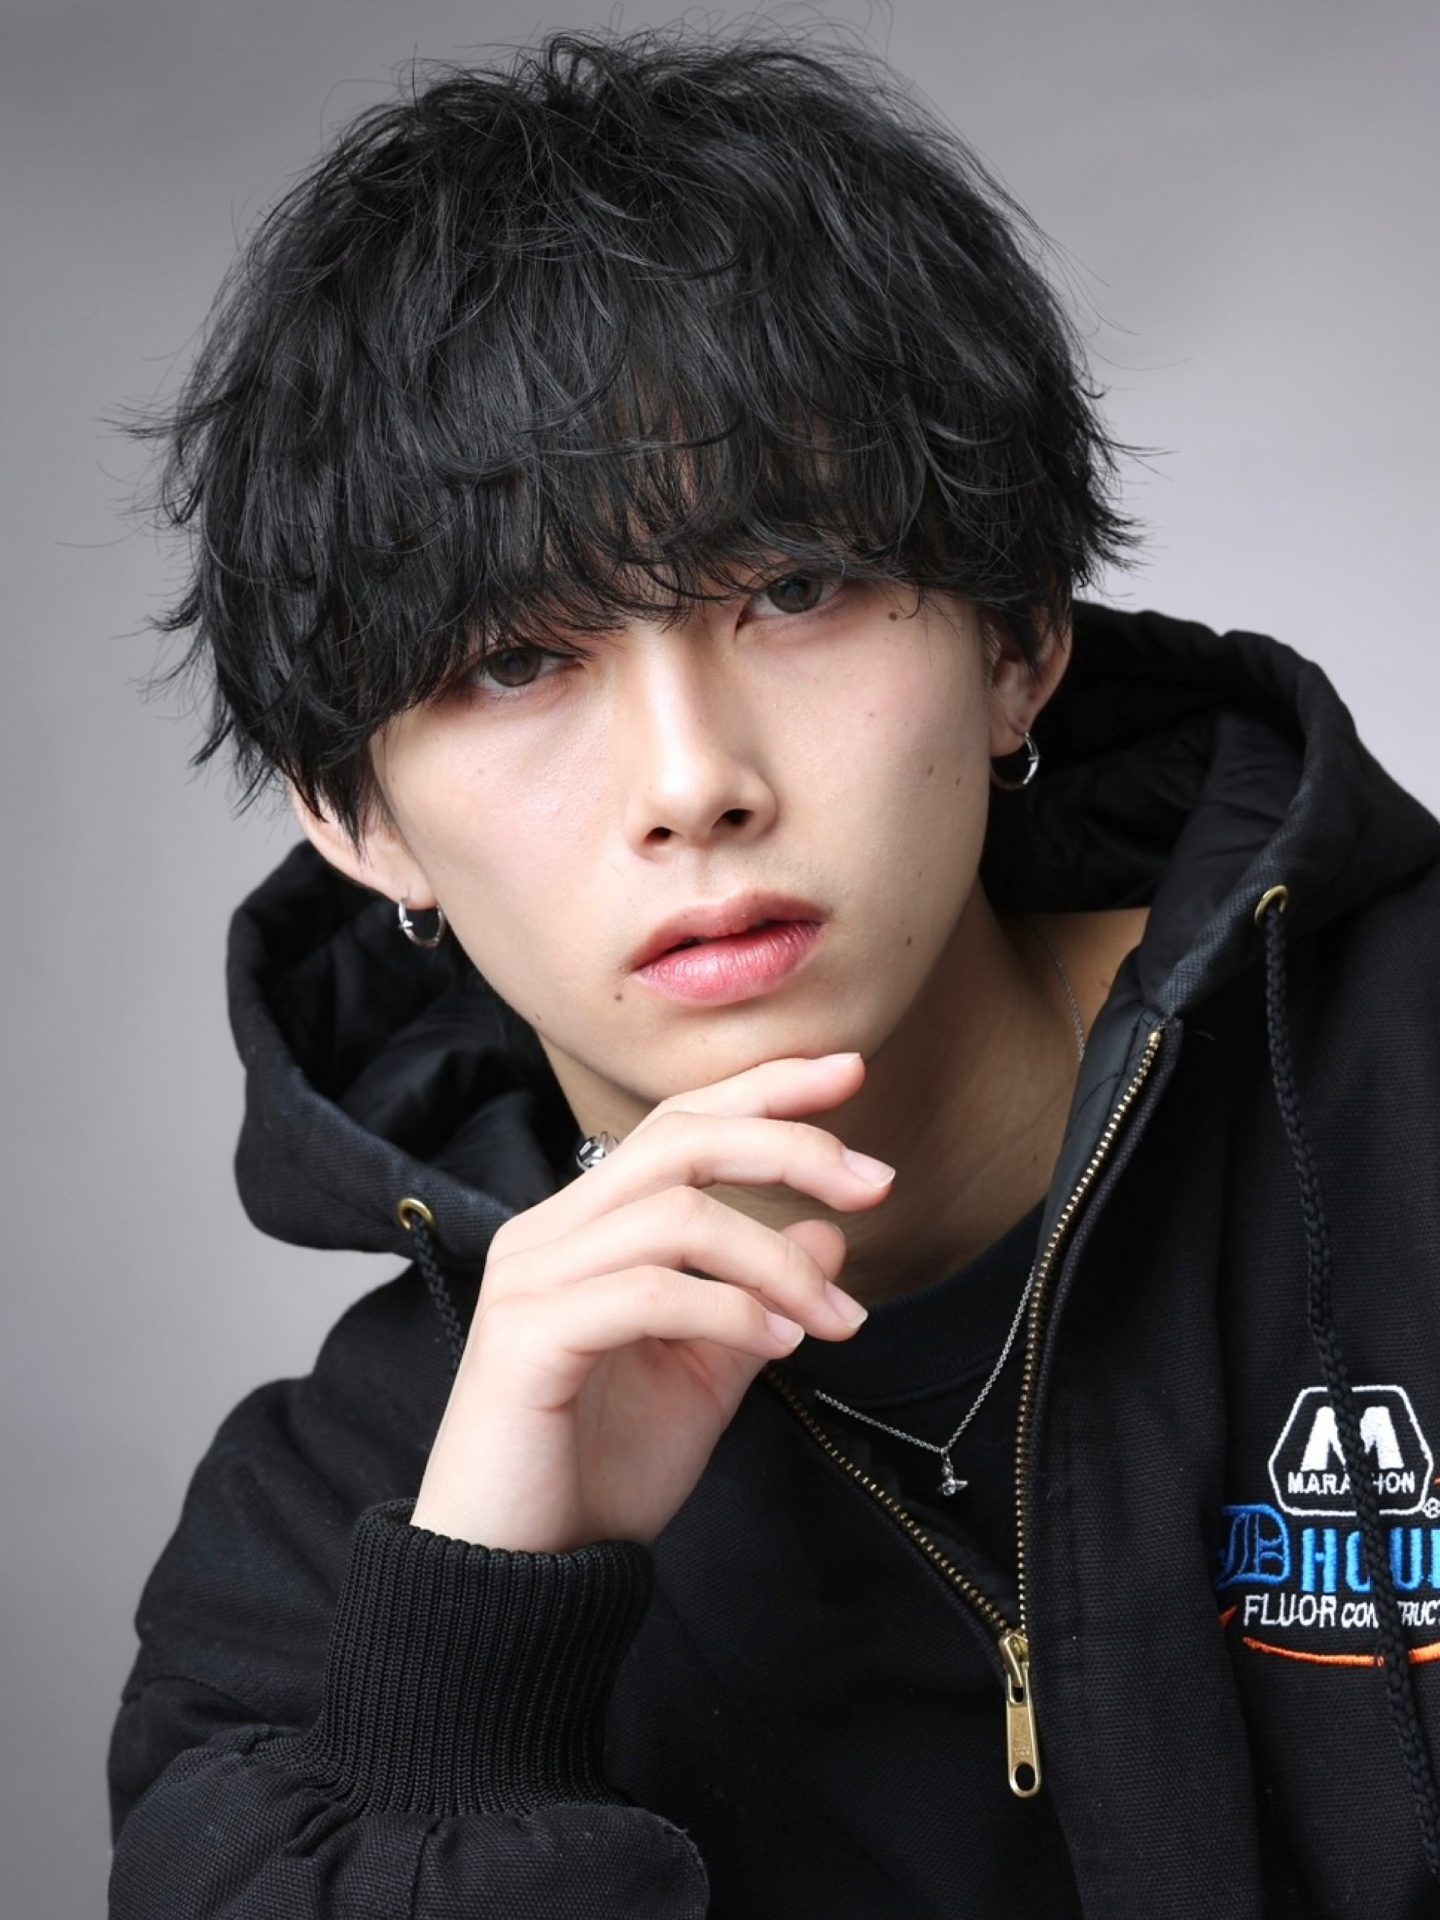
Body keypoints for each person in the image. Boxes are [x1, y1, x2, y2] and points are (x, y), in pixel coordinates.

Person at [105, 25, 1440, 1920]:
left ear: (1016, 641)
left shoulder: (1406, 1090)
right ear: (355, 816)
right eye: (514, 663)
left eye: (793, 588)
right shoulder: (334, 1519)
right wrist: (474, 1642)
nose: (692, 783)